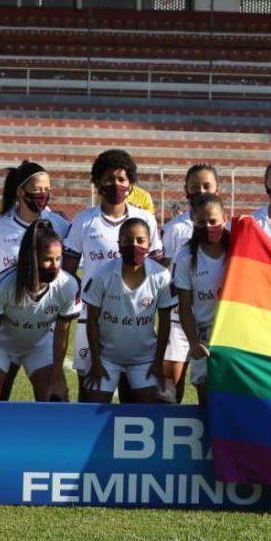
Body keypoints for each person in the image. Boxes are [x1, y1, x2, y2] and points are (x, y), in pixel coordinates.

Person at [63, 149, 162, 392]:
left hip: (136, 319)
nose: (115, 184)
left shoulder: (145, 219)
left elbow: (159, 269)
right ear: (97, 182)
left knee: (135, 396)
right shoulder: (84, 220)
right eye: (108, 179)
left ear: (130, 183)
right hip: (93, 319)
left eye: (121, 179)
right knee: (90, 392)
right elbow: (67, 271)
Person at [0, 220, 80, 402]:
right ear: (31, 258)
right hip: (1, 346)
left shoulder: (67, 285)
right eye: (48, 259)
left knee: (56, 399)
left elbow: (62, 333)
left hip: (39, 345)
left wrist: (57, 376)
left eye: (58, 259)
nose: (55, 266)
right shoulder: (4, 284)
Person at [80, 217, 176, 404]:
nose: (134, 245)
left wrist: (158, 361)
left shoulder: (161, 276)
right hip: (106, 358)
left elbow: (165, 322)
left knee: (146, 414)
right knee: (92, 411)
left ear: (149, 244)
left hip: (144, 360)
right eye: (127, 240)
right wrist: (97, 362)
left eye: (140, 240)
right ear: (119, 243)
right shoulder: (102, 274)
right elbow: (91, 320)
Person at [160, 163, 220, 404]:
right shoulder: (175, 228)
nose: (201, 191)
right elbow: (164, 271)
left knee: (212, 391)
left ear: (219, 189)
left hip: (213, 325)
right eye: (195, 187)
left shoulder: (229, 228)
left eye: (207, 186)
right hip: (178, 320)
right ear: (186, 190)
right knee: (169, 392)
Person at [175, 194, 229, 406]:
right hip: (205, 341)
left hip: (234, 339)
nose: (208, 226)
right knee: (207, 406)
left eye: (213, 221)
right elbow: (185, 306)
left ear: (225, 218)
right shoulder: (186, 257)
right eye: (201, 222)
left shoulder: (239, 249)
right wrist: (193, 342)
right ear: (193, 222)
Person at [0, 161, 71, 274]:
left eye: (47, 189)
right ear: (20, 192)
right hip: (10, 292)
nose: (43, 195)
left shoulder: (58, 223)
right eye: (37, 189)